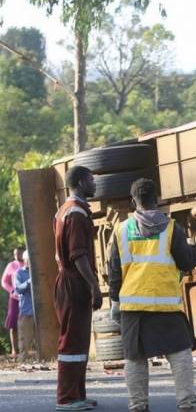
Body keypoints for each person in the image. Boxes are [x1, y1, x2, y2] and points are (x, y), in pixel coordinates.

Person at [108, 178, 196, 412]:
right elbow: (186, 261)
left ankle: (138, 405)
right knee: (180, 353)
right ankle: (187, 403)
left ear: (133, 201)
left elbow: (114, 271)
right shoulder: (171, 228)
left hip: (133, 306)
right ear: (156, 200)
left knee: (135, 358)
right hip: (165, 305)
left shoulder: (121, 230)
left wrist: (114, 302)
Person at [54, 165, 102, 411]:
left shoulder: (65, 209)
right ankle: (66, 398)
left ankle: (77, 395)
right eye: (91, 180)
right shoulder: (76, 213)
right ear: (81, 182)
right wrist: (94, 286)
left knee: (79, 341)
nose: (95, 183)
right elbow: (78, 255)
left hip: (70, 281)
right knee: (72, 342)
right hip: (74, 282)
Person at [2, 247, 25, 358]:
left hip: (27, 299)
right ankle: (14, 350)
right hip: (14, 298)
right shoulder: (11, 265)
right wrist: (11, 290)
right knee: (13, 324)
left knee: (27, 323)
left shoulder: (28, 263)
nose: (17, 256)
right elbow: (4, 281)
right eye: (15, 254)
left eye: (19, 253)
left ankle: (26, 349)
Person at [14, 250, 35, 360]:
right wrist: (29, 282)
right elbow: (18, 289)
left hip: (40, 312)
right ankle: (23, 360)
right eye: (29, 259)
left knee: (41, 338)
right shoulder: (19, 273)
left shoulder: (38, 272)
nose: (31, 261)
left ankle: (43, 359)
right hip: (26, 311)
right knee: (24, 339)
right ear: (25, 260)